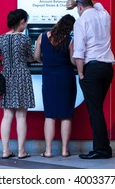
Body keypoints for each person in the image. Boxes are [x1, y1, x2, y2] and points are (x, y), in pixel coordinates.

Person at [66, 0, 115, 159]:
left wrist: (80, 74)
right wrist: (77, 2)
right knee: (97, 110)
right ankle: (102, 148)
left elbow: (79, 51)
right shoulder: (104, 15)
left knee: (95, 111)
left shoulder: (81, 22)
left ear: (80, 8)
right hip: (107, 68)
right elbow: (96, 3)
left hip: (91, 69)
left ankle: (102, 150)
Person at [0, 9, 35, 159]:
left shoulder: (1, 38)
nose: (26, 24)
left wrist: (5, 63)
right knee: (21, 116)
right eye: (26, 21)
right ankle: (21, 152)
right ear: (21, 21)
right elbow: (30, 58)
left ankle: (5, 151)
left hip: (7, 76)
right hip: (22, 75)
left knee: (7, 115)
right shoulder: (25, 39)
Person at [33, 14, 77, 158]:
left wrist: (46, 60)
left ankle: (48, 151)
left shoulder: (42, 37)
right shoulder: (70, 41)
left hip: (49, 78)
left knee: (50, 115)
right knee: (66, 115)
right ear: (70, 28)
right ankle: (64, 150)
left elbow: (36, 57)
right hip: (66, 78)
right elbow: (72, 61)